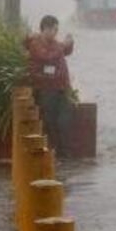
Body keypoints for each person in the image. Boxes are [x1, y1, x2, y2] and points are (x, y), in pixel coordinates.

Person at [24, 15, 74, 158]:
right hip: (46, 88)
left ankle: (64, 152)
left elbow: (65, 51)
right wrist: (63, 45)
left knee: (64, 120)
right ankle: (51, 152)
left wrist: (69, 43)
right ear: (45, 28)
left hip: (61, 87)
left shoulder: (54, 43)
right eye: (54, 30)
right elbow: (47, 57)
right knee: (49, 121)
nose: (56, 33)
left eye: (57, 30)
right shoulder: (36, 44)